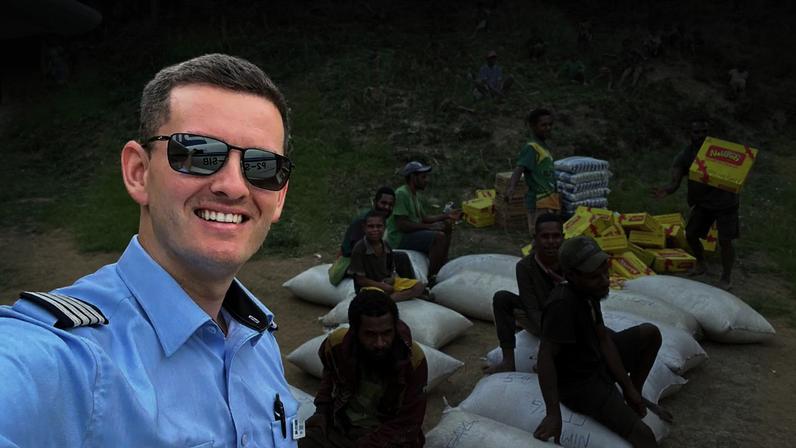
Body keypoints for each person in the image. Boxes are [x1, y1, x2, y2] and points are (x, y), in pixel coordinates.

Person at [0, 54, 301, 446]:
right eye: (198, 154)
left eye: (261, 165)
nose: (233, 186)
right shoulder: (70, 356)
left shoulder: (258, 341)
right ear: (138, 173)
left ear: (279, 198)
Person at [533, 237, 672, 447]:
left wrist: (629, 389)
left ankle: (636, 394)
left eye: (605, 273)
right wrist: (553, 413)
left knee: (650, 333)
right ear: (572, 276)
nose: (605, 281)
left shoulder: (589, 292)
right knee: (644, 436)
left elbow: (604, 339)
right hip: (580, 383)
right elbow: (545, 357)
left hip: (596, 361)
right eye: (595, 277)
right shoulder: (561, 304)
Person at [302, 289, 428, 448]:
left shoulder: (413, 360)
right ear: (355, 332)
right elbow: (329, 375)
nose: (380, 343)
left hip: (387, 437)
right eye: (370, 335)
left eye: (387, 333)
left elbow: (408, 422)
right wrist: (322, 409)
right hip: (341, 428)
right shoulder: (337, 345)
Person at [652, 118, 739, 290]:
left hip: (726, 203)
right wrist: (667, 190)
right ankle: (701, 263)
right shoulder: (685, 155)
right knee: (691, 234)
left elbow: (738, 170)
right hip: (703, 203)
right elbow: (675, 181)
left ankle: (726, 277)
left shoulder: (722, 152)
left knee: (725, 240)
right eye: (697, 132)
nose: (701, 135)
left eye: (704, 132)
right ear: (690, 134)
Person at [484, 213, 565, 374]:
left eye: (556, 236)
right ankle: (508, 361)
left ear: (563, 237)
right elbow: (531, 307)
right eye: (545, 237)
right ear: (535, 238)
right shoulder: (525, 267)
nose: (551, 242)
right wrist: (548, 338)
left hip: (567, 317)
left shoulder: (571, 260)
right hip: (539, 317)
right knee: (502, 298)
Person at [386, 161, 461, 281]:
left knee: (446, 226)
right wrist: (429, 227)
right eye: (423, 177)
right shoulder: (401, 194)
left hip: (411, 233)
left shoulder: (414, 195)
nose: (426, 180)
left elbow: (424, 218)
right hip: (400, 238)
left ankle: (442, 263)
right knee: (439, 237)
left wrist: (447, 216)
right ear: (412, 177)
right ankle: (432, 277)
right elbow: (402, 225)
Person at [348, 210, 426, 302]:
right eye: (371, 226)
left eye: (379, 226)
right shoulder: (359, 249)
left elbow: (392, 270)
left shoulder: (386, 245)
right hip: (369, 287)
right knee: (375, 296)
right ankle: (391, 298)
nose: (375, 230)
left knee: (418, 286)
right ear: (364, 228)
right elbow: (360, 280)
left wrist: (391, 280)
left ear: (385, 227)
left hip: (385, 282)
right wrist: (382, 286)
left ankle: (390, 299)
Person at [328, 187, 400, 286]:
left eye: (390, 205)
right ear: (375, 202)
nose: (387, 207)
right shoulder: (364, 221)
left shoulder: (382, 221)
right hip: (350, 264)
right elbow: (357, 253)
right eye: (383, 203)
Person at [505, 108, 561, 237]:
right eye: (543, 125)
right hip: (539, 202)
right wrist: (511, 188)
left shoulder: (544, 148)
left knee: (547, 236)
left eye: (550, 124)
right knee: (540, 236)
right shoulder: (531, 148)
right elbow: (520, 168)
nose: (548, 128)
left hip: (549, 200)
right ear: (533, 126)